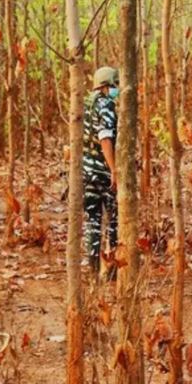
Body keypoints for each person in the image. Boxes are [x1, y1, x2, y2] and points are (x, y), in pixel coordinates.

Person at [83, 66, 119, 277]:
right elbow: (105, 137)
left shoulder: (86, 103)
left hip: (86, 171)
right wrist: (113, 169)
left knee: (93, 221)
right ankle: (112, 269)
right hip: (103, 171)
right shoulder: (105, 104)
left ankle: (93, 270)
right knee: (114, 219)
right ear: (108, 85)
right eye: (115, 84)